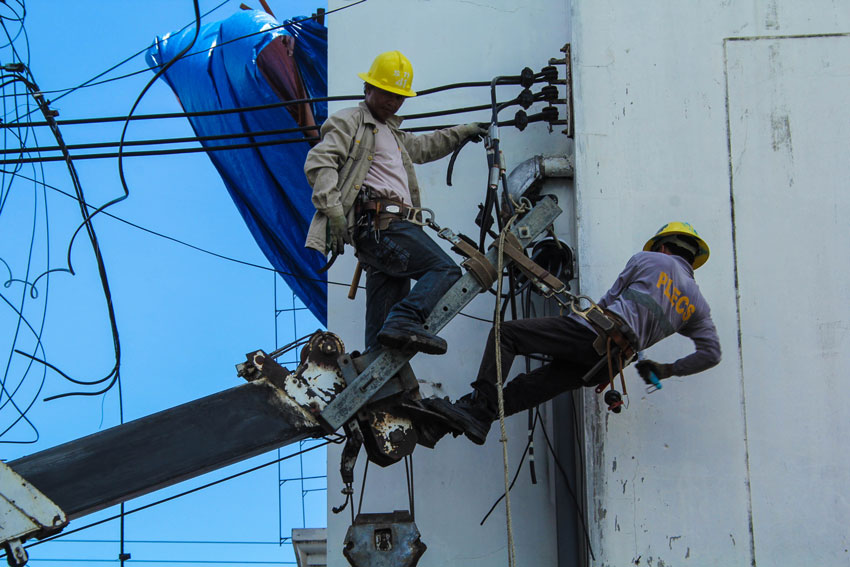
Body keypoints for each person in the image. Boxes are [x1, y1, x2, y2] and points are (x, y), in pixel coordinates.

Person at [425, 222, 722, 445]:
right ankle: (477, 417)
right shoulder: (697, 305)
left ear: (663, 247)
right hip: (605, 365)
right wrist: (665, 369)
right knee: (531, 386)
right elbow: (711, 355)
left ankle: (479, 405)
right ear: (691, 258)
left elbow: (606, 303)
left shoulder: (648, 260)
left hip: (593, 336)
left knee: (506, 335)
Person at [304, 50, 486, 355]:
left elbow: (425, 146)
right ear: (368, 89)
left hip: (386, 233)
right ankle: (405, 319)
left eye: (399, 97)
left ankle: (377, 390)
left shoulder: (393, 133)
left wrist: (462, 132)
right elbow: (320, 162)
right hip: (382, 226)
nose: (393, 102)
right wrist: (333, 211)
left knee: (384, 340)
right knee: (445, 270)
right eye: (387, 94)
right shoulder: (350, 120)